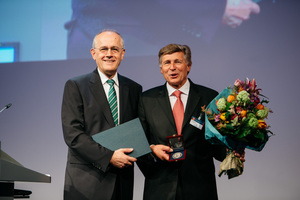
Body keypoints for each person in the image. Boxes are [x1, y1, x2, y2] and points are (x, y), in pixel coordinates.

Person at [138, 44, 244, 200]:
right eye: (167, 63)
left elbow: (217, 144)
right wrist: (152, 150)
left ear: (188, 66)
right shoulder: (146, 99)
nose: (172, 67)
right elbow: (139, 143)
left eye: (177, 62)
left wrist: (232, 152)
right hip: (160, 186)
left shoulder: (209, 97)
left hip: (200, 187)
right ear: (161, 69)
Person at [61, 30, 142, 200]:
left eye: (114, 49)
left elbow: (136, 131)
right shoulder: (76, 86)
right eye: (104, 49)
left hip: (122, 182)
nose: (109, 54)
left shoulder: (134, 89)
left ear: (122, 54)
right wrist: (109, 156)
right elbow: (73, 135)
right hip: (87, 182)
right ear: (94, 53)